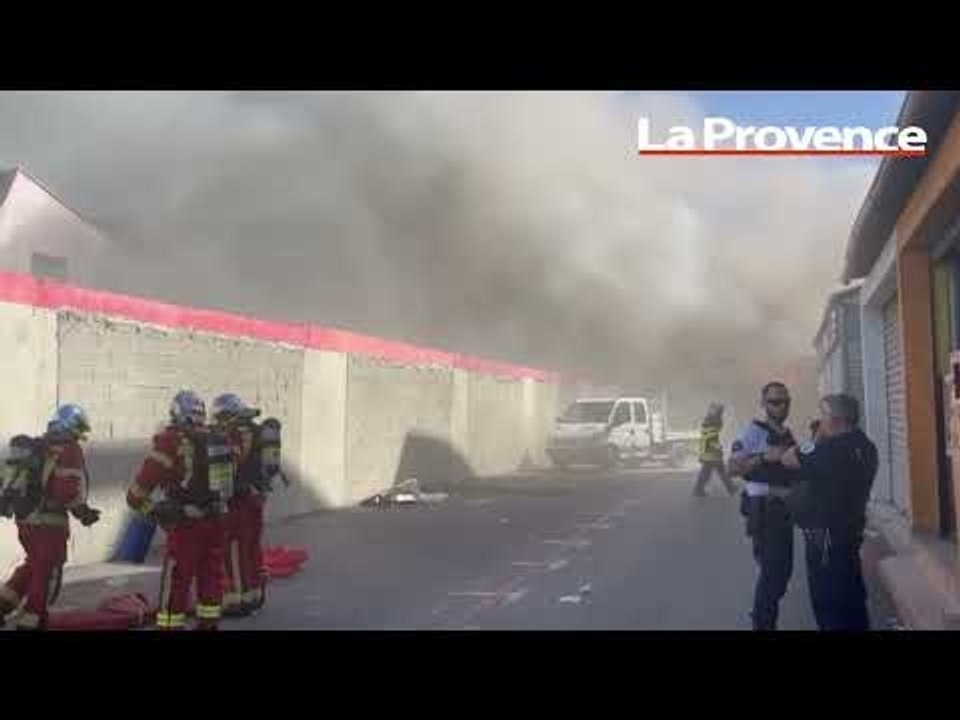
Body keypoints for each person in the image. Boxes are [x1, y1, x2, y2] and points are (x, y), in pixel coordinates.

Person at [126, 390, 231, 630]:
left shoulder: (170, 442)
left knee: (177, 577)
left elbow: (138, 491)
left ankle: (170, 626)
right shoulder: (218, 439)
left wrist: (151, 510)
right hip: (215, 519)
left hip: (186, 523)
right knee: (211, 575)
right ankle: (208, 623)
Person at [782, 393, 878, 631]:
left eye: (823, 416)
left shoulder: (827, 449)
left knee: (828, 602)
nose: (820, 421)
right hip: (851, 531)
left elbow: (789, 458)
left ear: (836, 419)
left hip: (825, 537)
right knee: (852, 597)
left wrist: (814, 439)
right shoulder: (866, 446)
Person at [0, 405, 100, 630]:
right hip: (49, 523)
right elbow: (66, 491)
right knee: (45, 571)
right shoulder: (69, 450)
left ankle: (3, 605)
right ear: (71, 426)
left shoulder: (40, 446)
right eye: (79, 429)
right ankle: (32, 621)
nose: (80, 435)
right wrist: (83, 513)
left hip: (25, 520)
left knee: (33, 565)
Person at [727, 381, 799, 630]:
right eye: (775, 401)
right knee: (772, 574)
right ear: (764, 404)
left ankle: (761, 612)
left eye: (785, 401)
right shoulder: (754, 432)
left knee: (782, 574)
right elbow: (733, 467)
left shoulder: (786, 433)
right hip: (765, 514)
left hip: (784, 514)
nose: (781, 406)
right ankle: (762, 621)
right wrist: (762, 457)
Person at [212, 393, 287, 617]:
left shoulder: (234, 434)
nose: (217, 421)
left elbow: (232, 464)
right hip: (256, 499)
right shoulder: (257, 430)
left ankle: (237, 601)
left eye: (219, 416)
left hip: (238, 501)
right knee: (252, 549)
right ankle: (255, 596)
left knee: (233, 550)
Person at [693, 403, 736, 497]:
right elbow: (711, 439)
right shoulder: (712, 422)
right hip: (711, 452)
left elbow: (711, 437)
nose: (721, 414)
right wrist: (718, 447)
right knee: (710, 472)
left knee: (717, 470)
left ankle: (731, 487)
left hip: (710, 452)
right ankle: (698, 489)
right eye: (720, 412)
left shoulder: (709, 421)